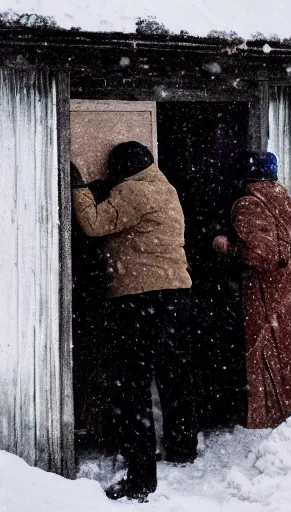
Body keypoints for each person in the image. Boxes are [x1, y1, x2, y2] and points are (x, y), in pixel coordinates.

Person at [71, 141, 197, 502]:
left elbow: (94, 224)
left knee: (133, 384)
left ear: (124, 169)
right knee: (174, 374)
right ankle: (182, 447)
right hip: (175, 294)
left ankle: (141, 478)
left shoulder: (133, 190)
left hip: (142, 297)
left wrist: (79, 188)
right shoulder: (164, 186)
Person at [212, 152, 291, 429]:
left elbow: (262, 255)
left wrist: (226, 245)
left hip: (270, 289)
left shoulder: (249, 204)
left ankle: (274, 415)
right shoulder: (280, 196)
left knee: (267, 346)